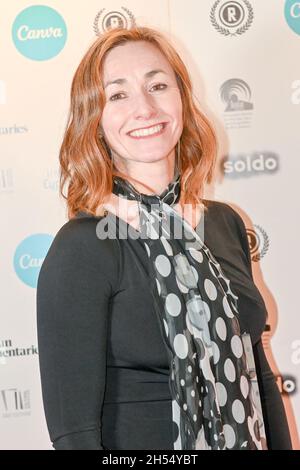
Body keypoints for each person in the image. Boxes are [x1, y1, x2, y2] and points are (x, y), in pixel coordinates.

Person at [36, 26, 292, 450]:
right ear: (93, 118)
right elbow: (74, 434)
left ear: (182, 99)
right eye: (117, 95)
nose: (145, 107)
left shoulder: (224, 223)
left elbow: (259, 376)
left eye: (157, 84)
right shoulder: (82, 247)